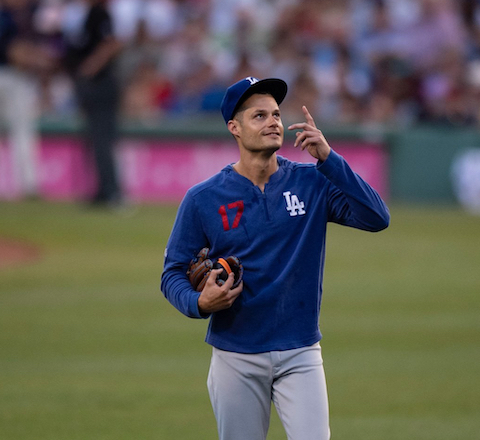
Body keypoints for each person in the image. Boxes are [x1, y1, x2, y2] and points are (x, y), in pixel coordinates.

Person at [160, 76, 390, 440]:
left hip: (301, 352)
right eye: (259, 116)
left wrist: (329, 159)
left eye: (276, 114)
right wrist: (197, 302)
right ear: (234, 128)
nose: (273, 122)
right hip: (236, 355)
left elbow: (377, 218)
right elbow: (172, 271)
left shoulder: (313, 182)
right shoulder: (203, 198)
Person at [0, 0, 52, 200]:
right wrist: (41, 62)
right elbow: (15, 53)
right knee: (22, 133)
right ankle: (29, 186)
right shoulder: (10, 18)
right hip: (9, 78)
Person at [61, 0, 123, 207]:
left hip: (101, 84)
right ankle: (101, 191)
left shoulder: (99, 14)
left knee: (102, 140)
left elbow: (112, 43)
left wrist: (89, 68)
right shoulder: (84, 15)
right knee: (95, 141)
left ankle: (111, 191)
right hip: (91, 85)